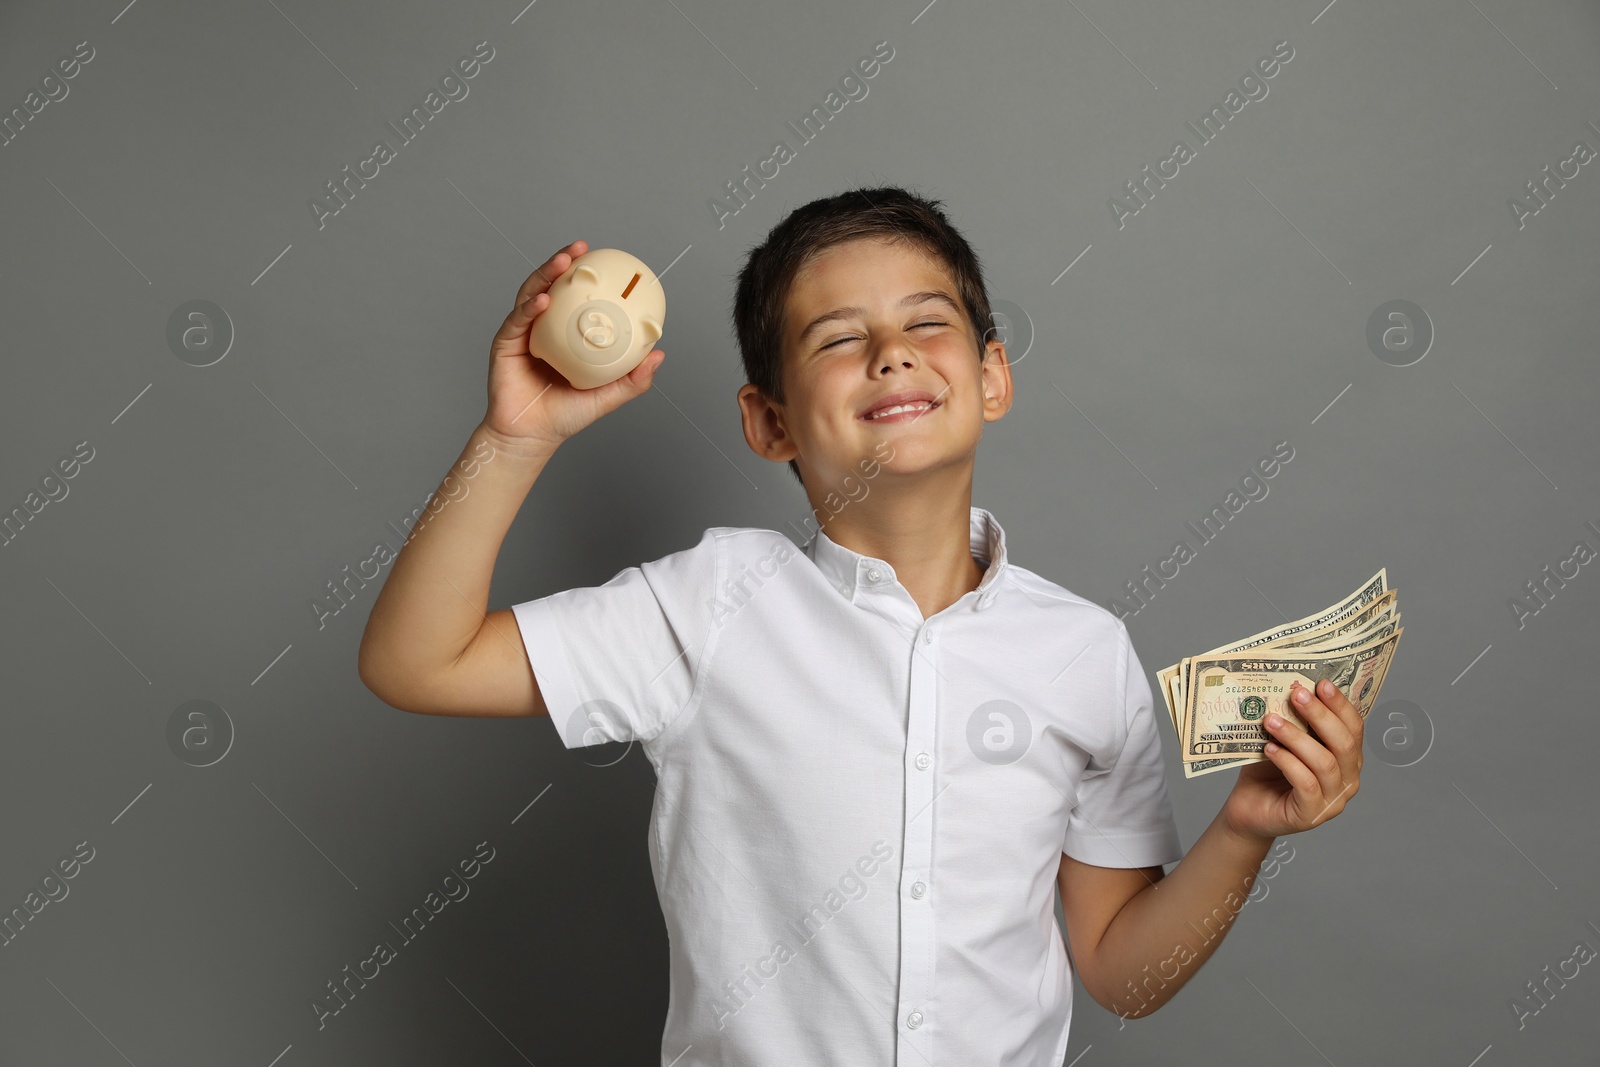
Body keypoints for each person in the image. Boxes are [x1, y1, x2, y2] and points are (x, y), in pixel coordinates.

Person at [357, 186, 1366, 1065]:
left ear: (991, 375)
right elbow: (417, 661)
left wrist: (1242, 832)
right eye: (836, 338)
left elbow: (1123, 973)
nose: (890, 354)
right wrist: (513, 436)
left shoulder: (1083, 651)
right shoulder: (708, 605)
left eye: (926, 323)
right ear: (770, 422)